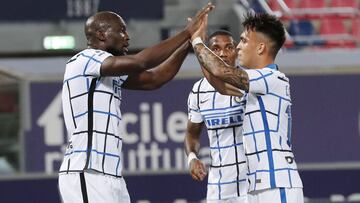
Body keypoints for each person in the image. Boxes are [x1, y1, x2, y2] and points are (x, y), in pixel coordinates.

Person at [58, 4, 214, 203]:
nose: (127, 37)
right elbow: (141, 62)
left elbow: (154, 78)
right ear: (101, 34)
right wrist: (186, 33)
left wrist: (190, 43)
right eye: (121, 30)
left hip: (111, 176)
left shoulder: (107, 69)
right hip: (86, 172)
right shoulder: (84, 60)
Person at [190, 12, 303, 203]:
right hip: (256, 186)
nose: (239, 46)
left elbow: (220, 71)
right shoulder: (254, 83)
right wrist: (196, 41)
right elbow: (220, 84)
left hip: (277, 183)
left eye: (243, 40)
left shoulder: (271, 78)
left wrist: (196, 40)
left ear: (260, 48)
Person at [185, 30, 249, 203]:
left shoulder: (250, 82)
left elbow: (221, 81)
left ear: (236, 51)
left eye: (228, 47)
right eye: (216, 48)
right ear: (208, 54)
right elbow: (192, 134)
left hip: (253, 183)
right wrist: (192, 158)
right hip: (219, 187)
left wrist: (195, 39)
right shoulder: (198, 91)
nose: (223, 53)